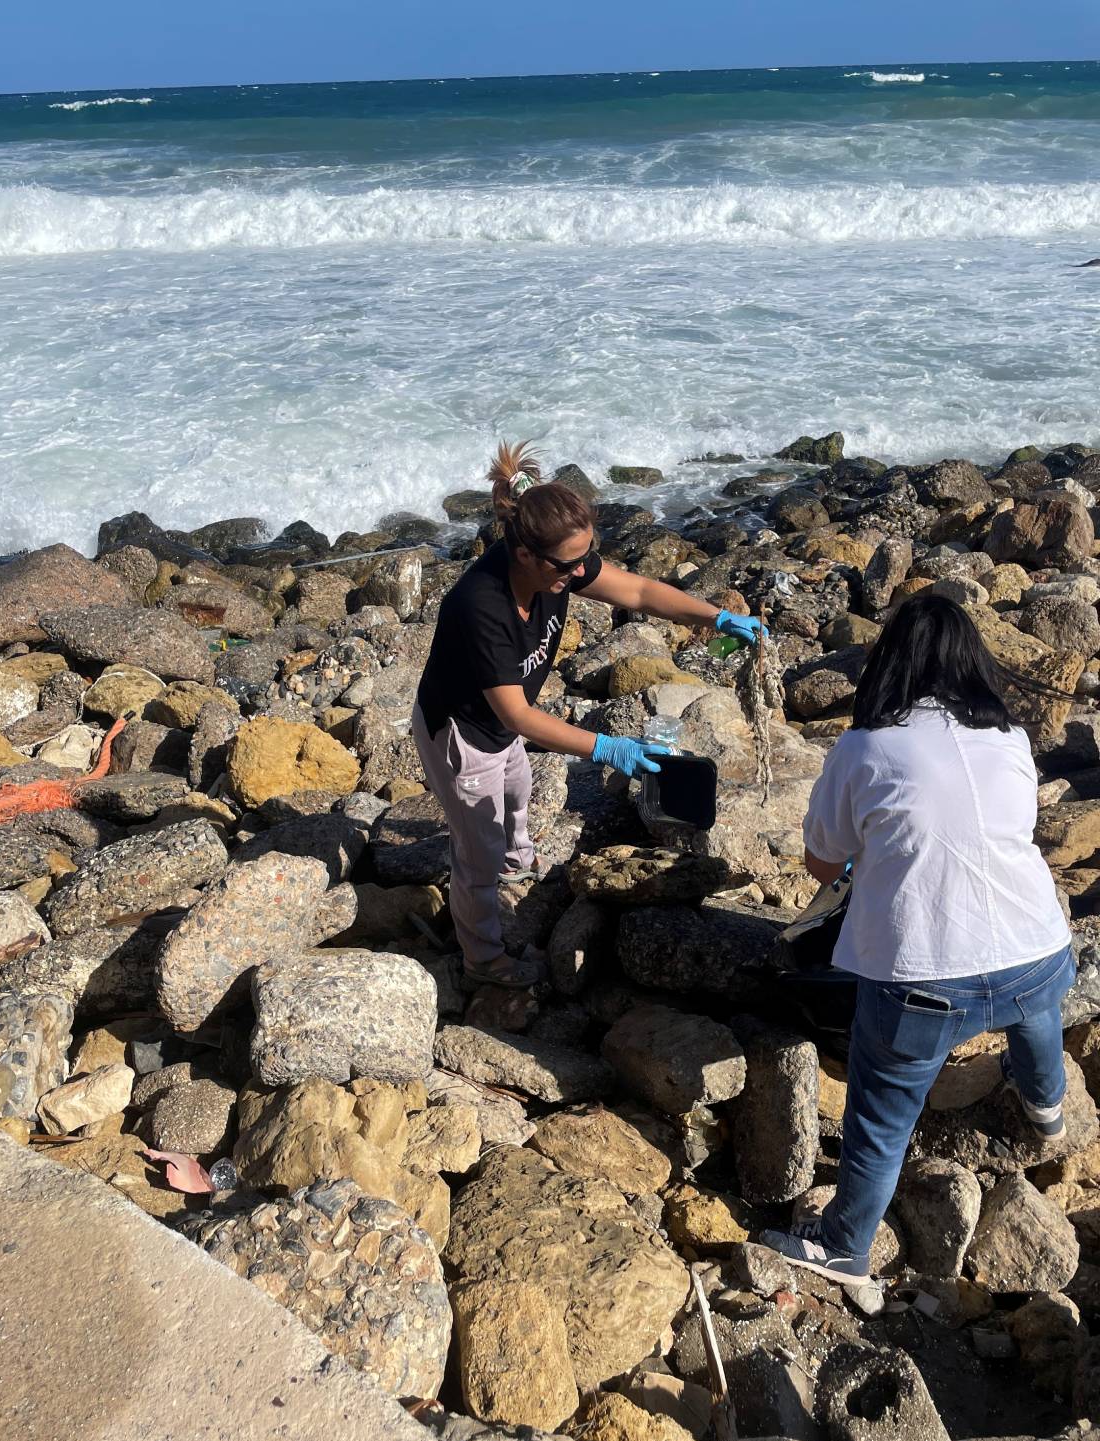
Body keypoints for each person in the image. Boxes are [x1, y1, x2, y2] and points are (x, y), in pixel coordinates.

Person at [762, 593, 1075, 1288]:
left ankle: (846, 1246)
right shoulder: (1010, 738)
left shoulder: (865, 746)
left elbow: (821, 862)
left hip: (925, 981)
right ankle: (1046, 1109)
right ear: (973, 662)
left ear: (887, 663)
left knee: (882, 1111)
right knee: (1036, 1018)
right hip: (1037, 953)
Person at [414, 440, 766, 987]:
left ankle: (514, 875)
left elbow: (641, 591)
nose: (580, 573)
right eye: (568, 565)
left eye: (585, 559)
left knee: (518, 793)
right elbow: (518, 718)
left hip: (504, 727)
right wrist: (610, 748)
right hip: (463, 733)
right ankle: (483, 958)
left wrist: (716, 617)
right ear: (525, 554)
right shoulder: (480, 605)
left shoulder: (560, 566)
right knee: (476, 853)